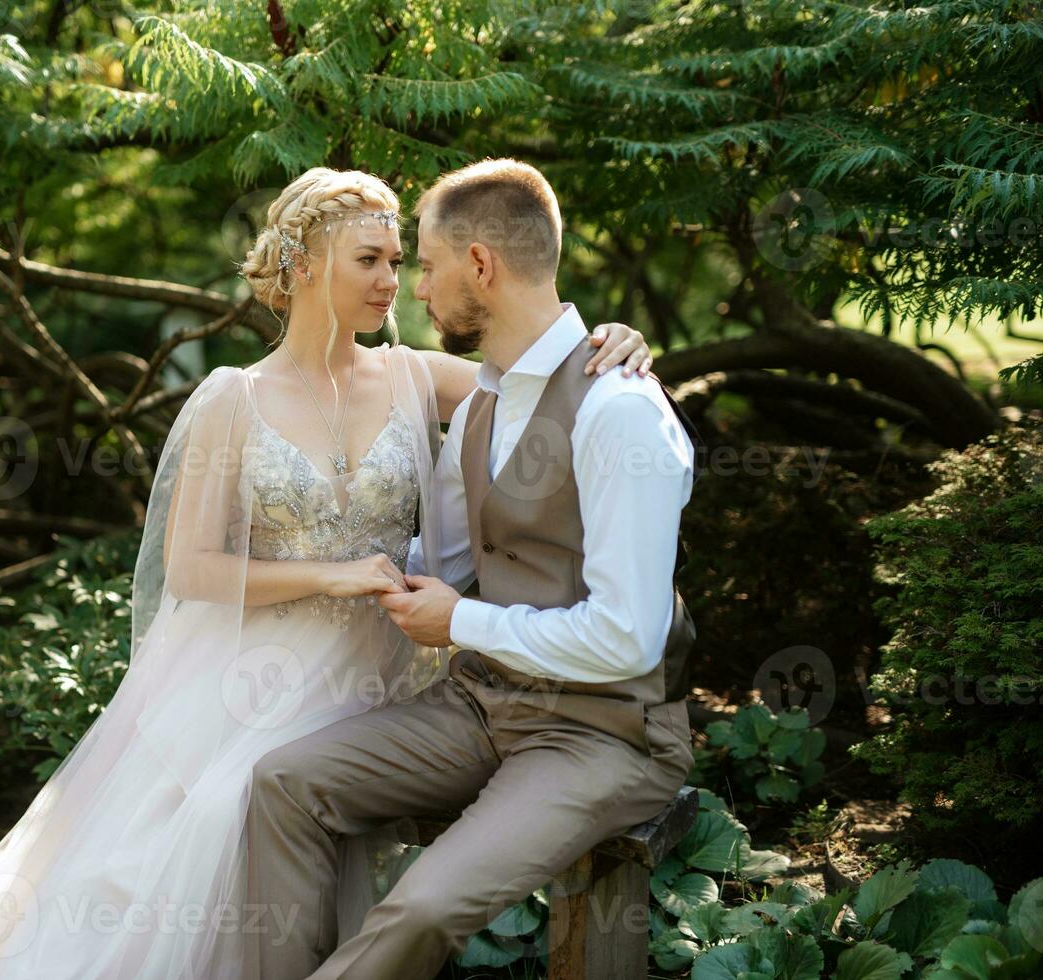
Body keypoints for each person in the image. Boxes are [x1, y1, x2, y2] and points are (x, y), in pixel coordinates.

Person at [0, 166, 652, 980]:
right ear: (303, 265)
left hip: (381, 673)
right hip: (256, 669)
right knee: (217, 813)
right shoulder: (234, 397)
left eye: (400, 262)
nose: (393, 281)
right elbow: (191, 567)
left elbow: (536, 370)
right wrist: (325, 577)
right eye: (369, 260)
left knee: (296, 803)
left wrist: (613, 340)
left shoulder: (413, 375)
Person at [246, 158, 701, 980]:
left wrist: (460, 622)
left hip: (605, 734)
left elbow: (630, 640)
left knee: (419, 907)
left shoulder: (621, 411)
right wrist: (309, 561)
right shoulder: (483, 402)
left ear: (481, 265)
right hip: (483, 706)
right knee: (284, 782)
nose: (413, 290)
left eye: (424, 264)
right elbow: (444, 563)